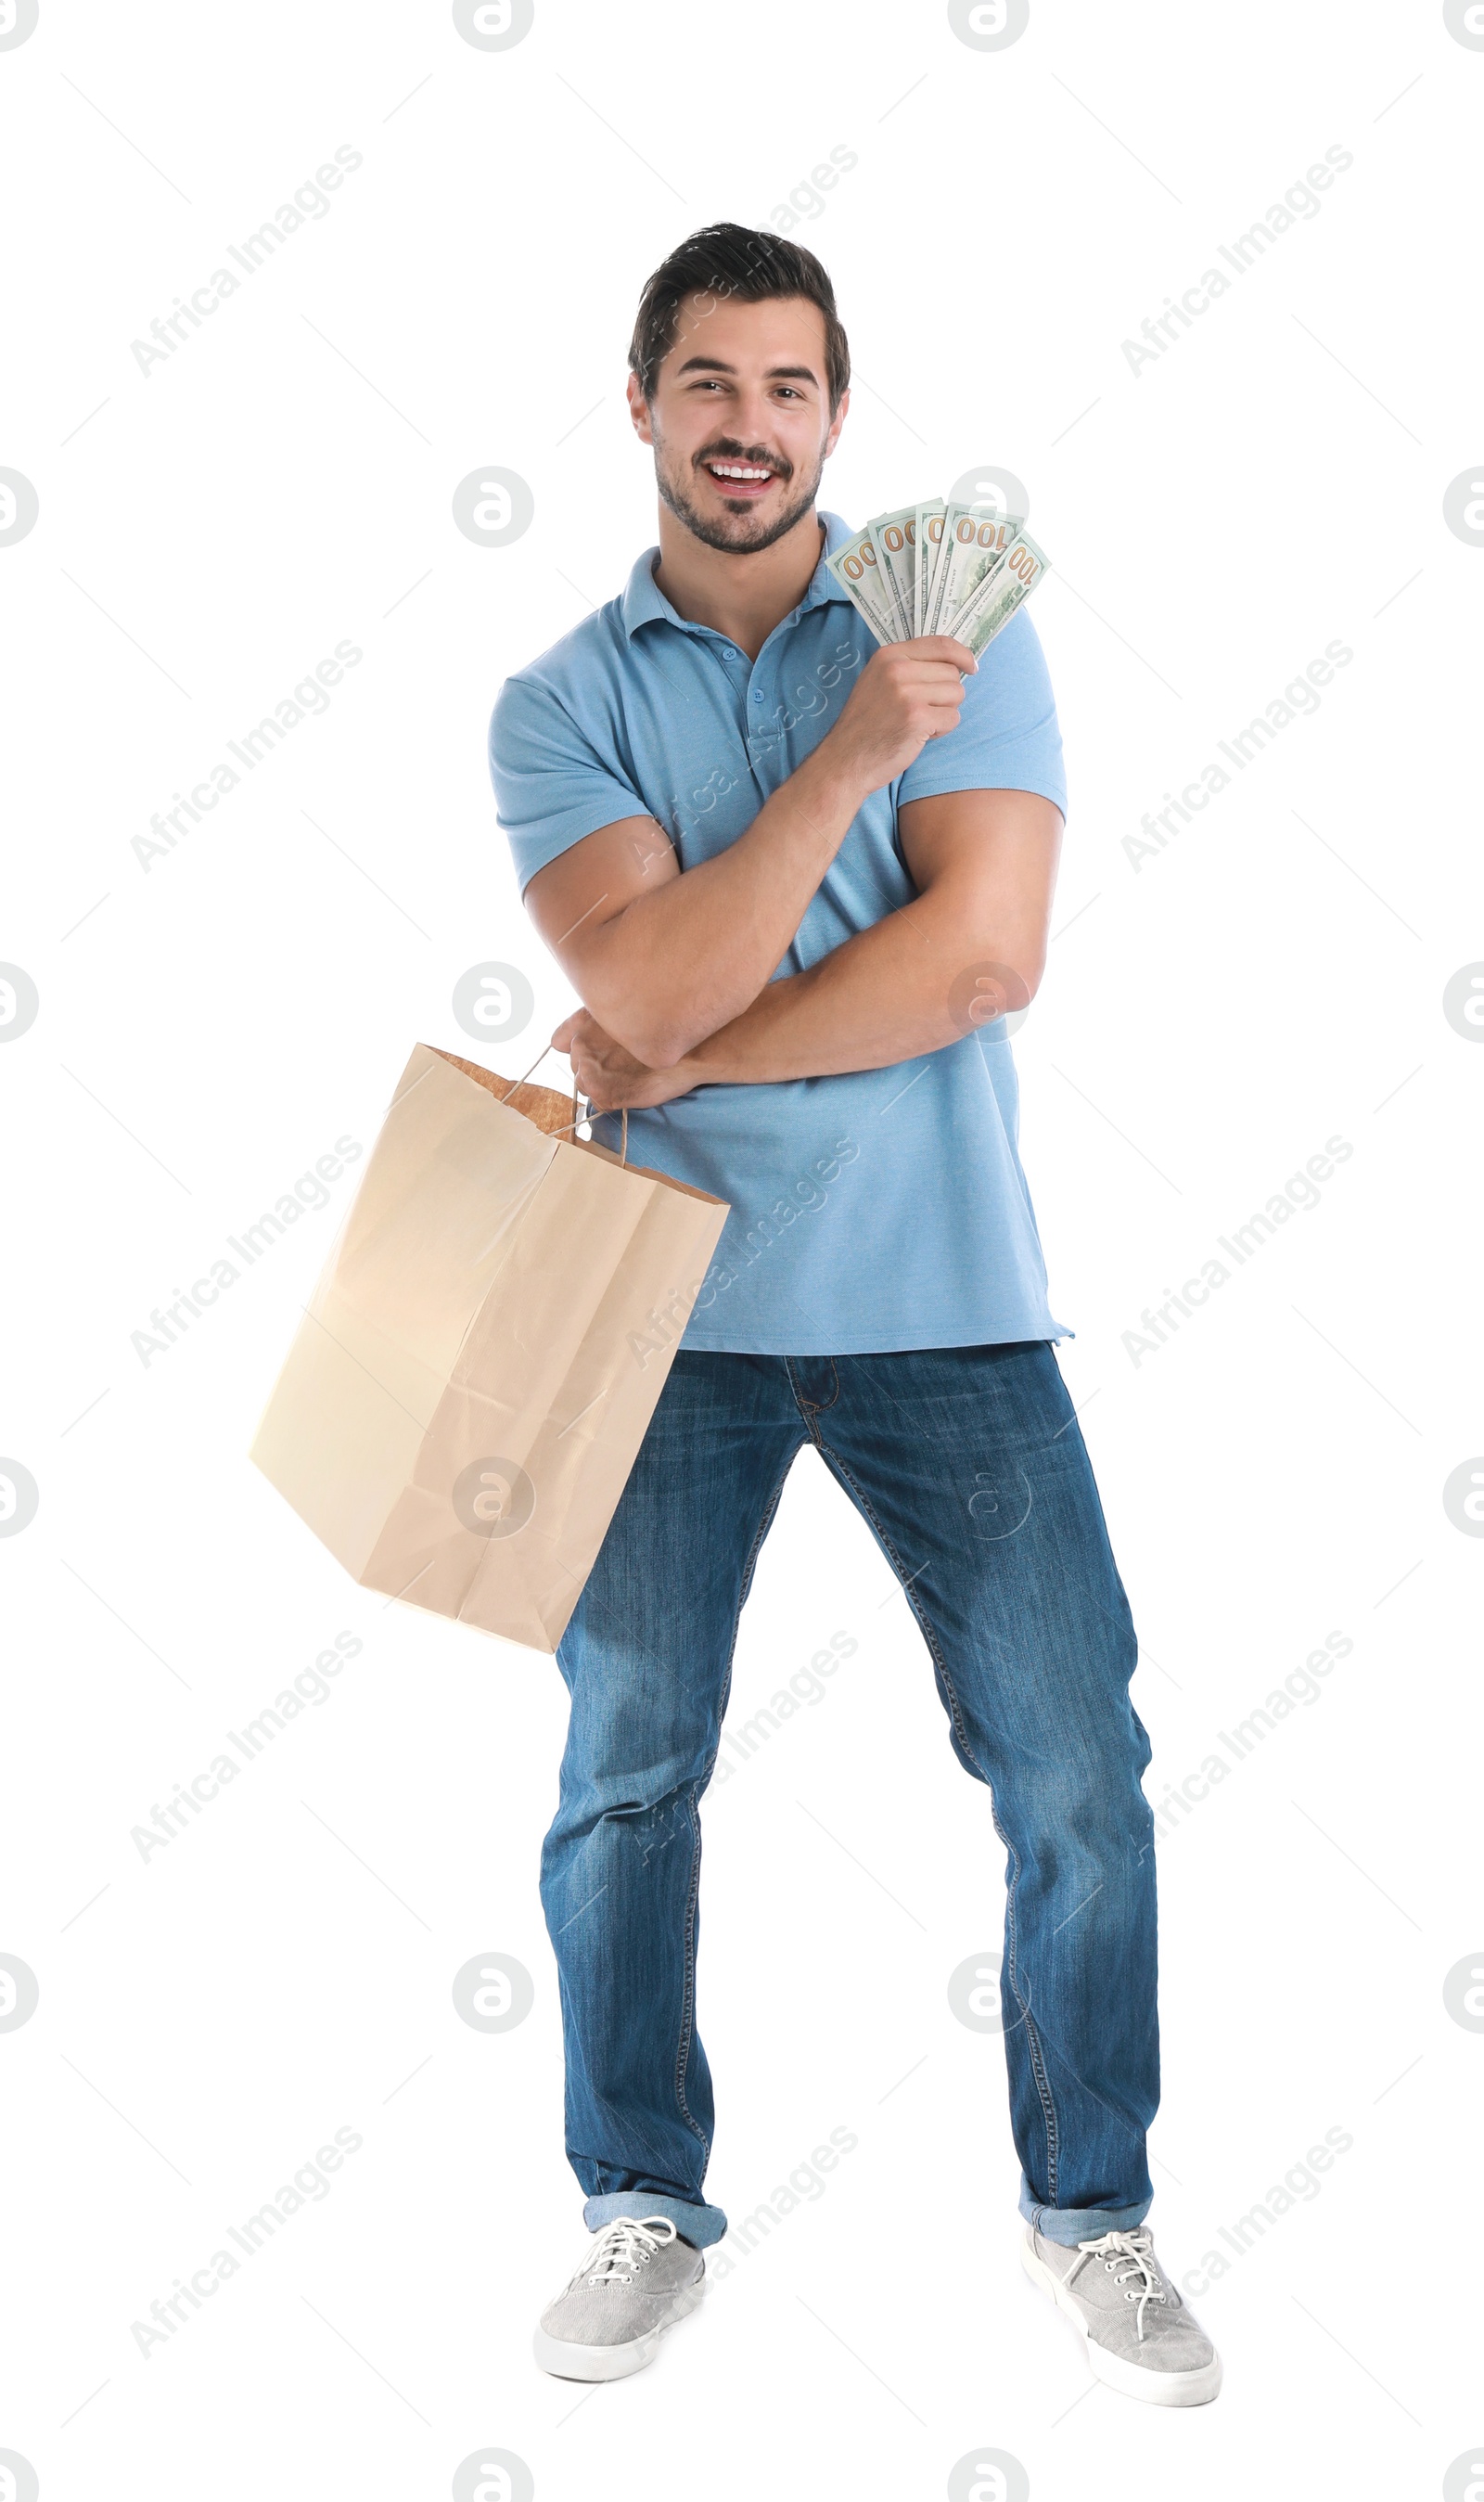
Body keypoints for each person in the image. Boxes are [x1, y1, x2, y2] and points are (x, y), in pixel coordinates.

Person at [488, 223, 1221, 2408]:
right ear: (640, 406)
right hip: (662, 1320)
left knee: (1076, 1766)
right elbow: (627, 983)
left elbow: (979, 961)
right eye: (706, 383)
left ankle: (1092, 2211)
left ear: (834, 411)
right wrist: (829, 776)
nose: (747, 425)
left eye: (788, 388)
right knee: (626, 1774)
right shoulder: (561, 701)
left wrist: (691, 1045)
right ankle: (640, 2198)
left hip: (943, 1300)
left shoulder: (950, 626)